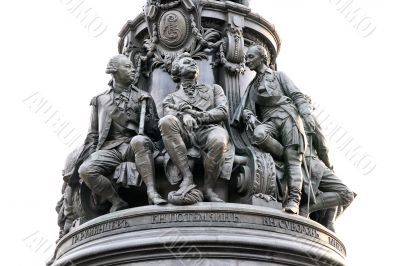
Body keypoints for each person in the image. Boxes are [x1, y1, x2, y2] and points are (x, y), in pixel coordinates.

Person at [232, 44, 315, 214]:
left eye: (250, 57)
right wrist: (248, 115)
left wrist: (306, 114)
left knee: (293, 159)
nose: (246, 61)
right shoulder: (252, 86)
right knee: (259, 134)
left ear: (262, 58)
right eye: (246, 58)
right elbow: (246, 108)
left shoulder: (279, 76)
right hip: (270, 123)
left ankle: (294, 199)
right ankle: (286, 157)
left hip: (288, 117)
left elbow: (296, 95)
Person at [78, 54, 166, 213]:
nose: (133, 70)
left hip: (134, 146)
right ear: (114, 70)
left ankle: (152, 192)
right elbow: (93, 134)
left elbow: (155, 132)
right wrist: (89, 155)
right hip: (110, 148)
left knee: (139, 140)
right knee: (85, 170)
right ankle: (117, 201)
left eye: (132, 67)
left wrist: (148, 121)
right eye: (127, 67)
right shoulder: (99, 100)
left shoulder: (144, 97)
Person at [159, 52, 234, 202]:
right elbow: (169, 113)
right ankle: (187, 177)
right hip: (184, 133)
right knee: (166, 121)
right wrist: (183, 116)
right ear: (177, 70)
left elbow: (222, 111)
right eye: (187, 62)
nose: (193, 64)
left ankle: (208, 188)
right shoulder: (171, 98)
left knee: (219, 139)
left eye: (194, 62)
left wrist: (197, 116)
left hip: (209, 129)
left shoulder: (214, 89)